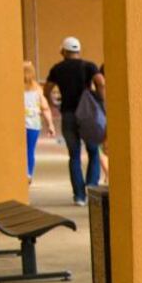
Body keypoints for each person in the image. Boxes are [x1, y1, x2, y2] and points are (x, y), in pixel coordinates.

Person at [44, 36, 105, 205]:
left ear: (63, 51)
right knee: (93, 151)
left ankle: (79, 196)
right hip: (87, 115)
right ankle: (92, 189)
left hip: (69, 113)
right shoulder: (89, 66)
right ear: (78, 51)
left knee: (74, 155)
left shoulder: (58, 69)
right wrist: (101, 101)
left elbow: (47, 88)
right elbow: (101, 82)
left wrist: (53, 102)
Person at [22, 62, 56, 182]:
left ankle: (22, 172)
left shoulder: (14, 88)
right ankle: (29, 174)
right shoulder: (37, 89)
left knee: (20, 150)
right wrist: (50, 124)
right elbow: (45, 108)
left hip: (20, 124)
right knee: (30, 150)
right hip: (33, 124)